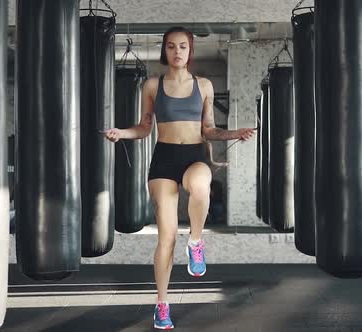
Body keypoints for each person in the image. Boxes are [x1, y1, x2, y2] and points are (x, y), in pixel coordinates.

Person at [103, 26, 255, 330]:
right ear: (165, 50)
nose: (177, 52)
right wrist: (121, 133)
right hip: (164, 160)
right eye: (171, 46)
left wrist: (233, 133)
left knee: (201, 186)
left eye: (183, 46)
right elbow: (145, 127)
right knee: (167, 239)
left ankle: (196, 242)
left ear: (190, 51)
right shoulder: (151, 85)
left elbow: (209, 130)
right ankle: (161, 304)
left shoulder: (205, 86)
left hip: (195, 155)